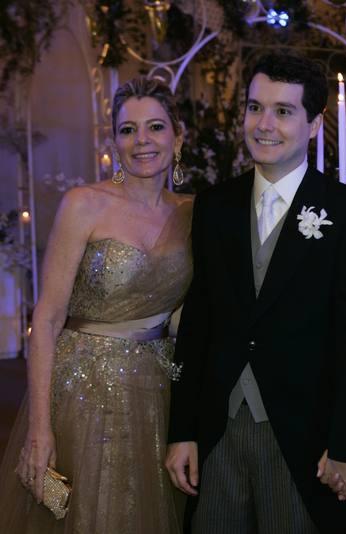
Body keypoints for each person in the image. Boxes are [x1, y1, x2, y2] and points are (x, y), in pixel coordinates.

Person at [164, 53, 346, 534]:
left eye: (283, 111)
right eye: (255, 107)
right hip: (217, 433)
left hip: (304, 438)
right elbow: (197, 325)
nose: (264, 124)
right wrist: (182, 431)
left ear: (314, 124)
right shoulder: (214, 206)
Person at [0, 76, 192, 533]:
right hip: (82, 393)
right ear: (114, 141)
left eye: (155, 127)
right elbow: (47, 318)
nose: (142, 141)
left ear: (178, 137)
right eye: (128, 130)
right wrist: (40, 428)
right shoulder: (84, 204)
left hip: (158, 393)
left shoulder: (193, 213)